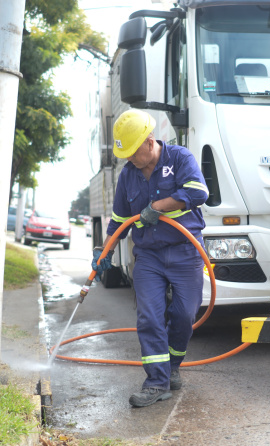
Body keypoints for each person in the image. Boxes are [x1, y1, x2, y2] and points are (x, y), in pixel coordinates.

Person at [92, 109, 209, 408]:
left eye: (133, 152)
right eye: (126, 154)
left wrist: (157, 206)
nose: (130, 159)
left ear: (149, 141)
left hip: (185, 250)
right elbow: (118, 221)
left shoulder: (180, 158)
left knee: (184, 314)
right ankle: (156, 382)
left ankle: (172, 366)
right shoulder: (128, 176)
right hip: (148, 256)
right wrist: (102, 252)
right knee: (149, 316)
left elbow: (198, 191)